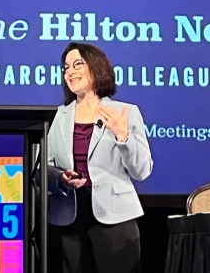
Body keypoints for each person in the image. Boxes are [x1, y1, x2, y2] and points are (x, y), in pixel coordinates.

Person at [45, 43, 153, 273]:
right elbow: (43, 166)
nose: (70, 72)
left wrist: (123, 135)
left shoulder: (125, 112)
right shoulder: (57, 116)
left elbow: (142, 170)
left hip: (115, 216)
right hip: (68, 215)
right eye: (65, 68)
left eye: (77, 65)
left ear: (95, 67)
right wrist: (60, 178)